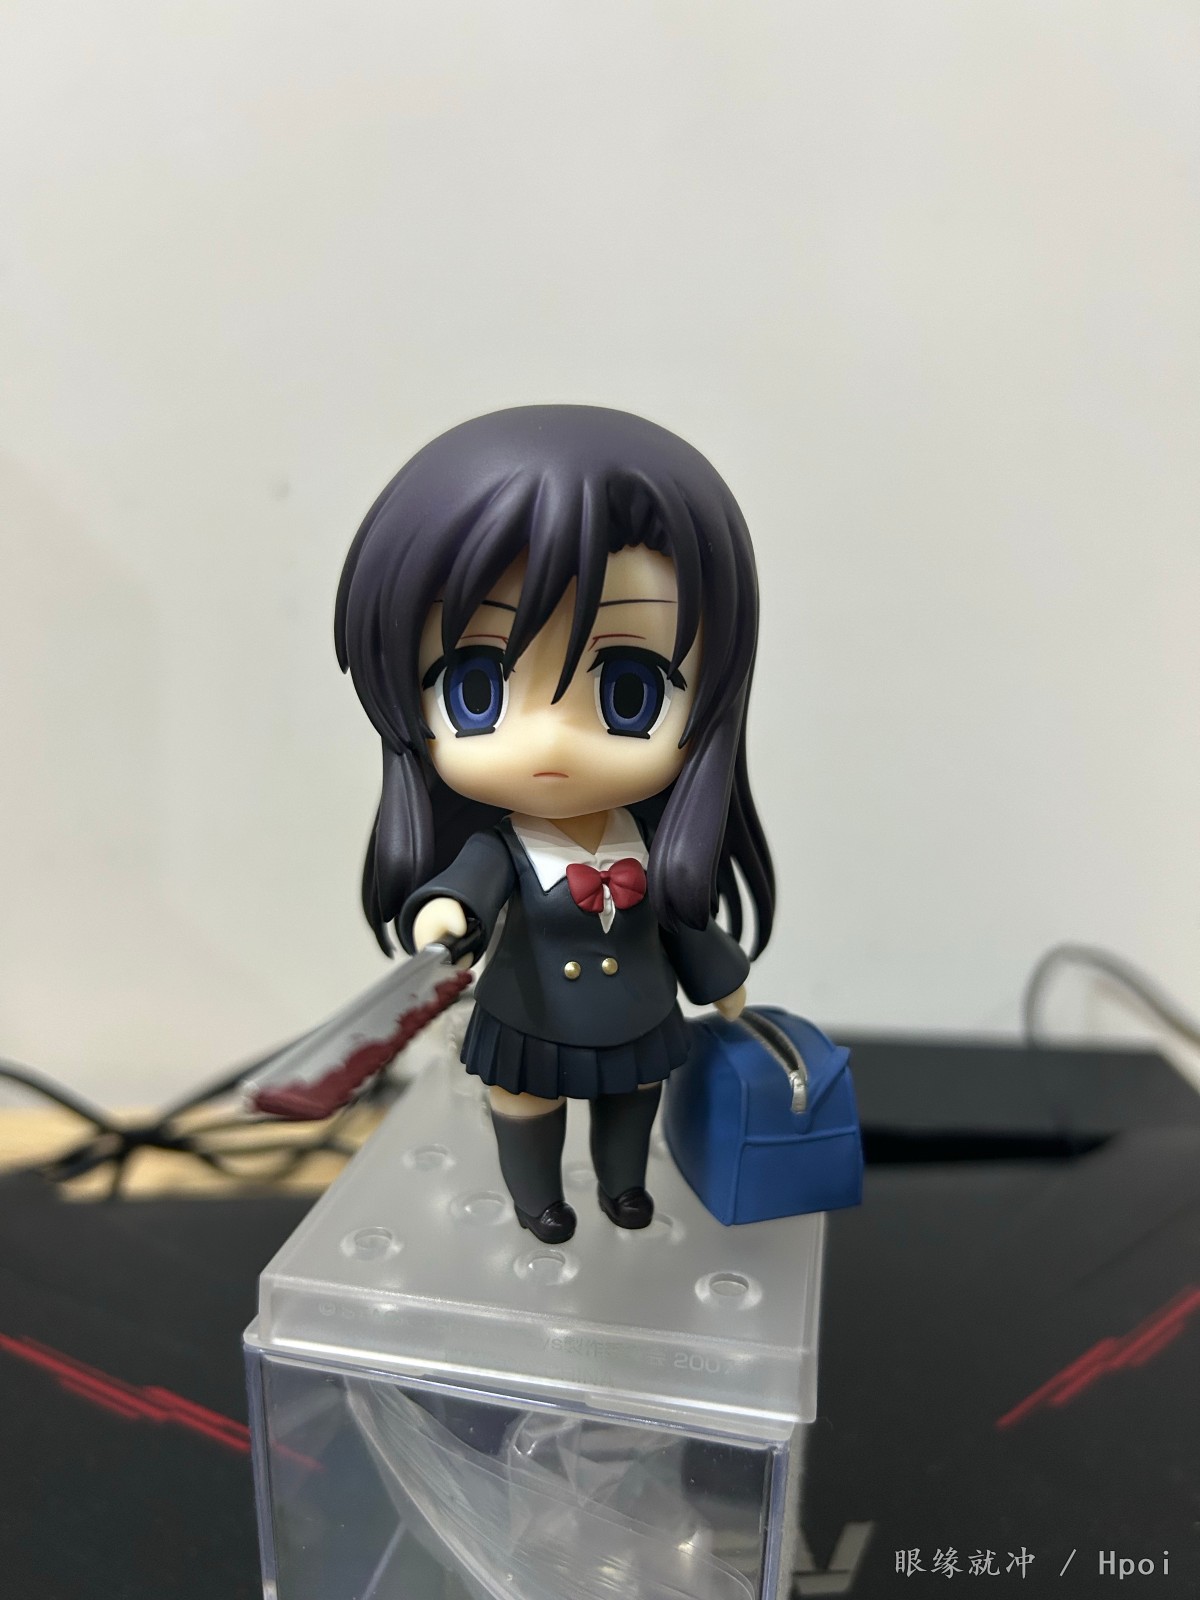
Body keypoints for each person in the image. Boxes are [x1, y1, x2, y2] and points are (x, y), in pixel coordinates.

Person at [335, 405, 774, 1243]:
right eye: (475, 687)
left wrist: (720, 976)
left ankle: (623, 1188)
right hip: (531, 1015)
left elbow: (683, 923)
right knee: (525, 1099)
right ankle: (539, 1200)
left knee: (632, 1098)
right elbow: (465, 889)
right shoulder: (500, 847)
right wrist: (444, 915)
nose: (548, 743)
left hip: (636, 1011)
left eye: (629, 690)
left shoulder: (651, 848)